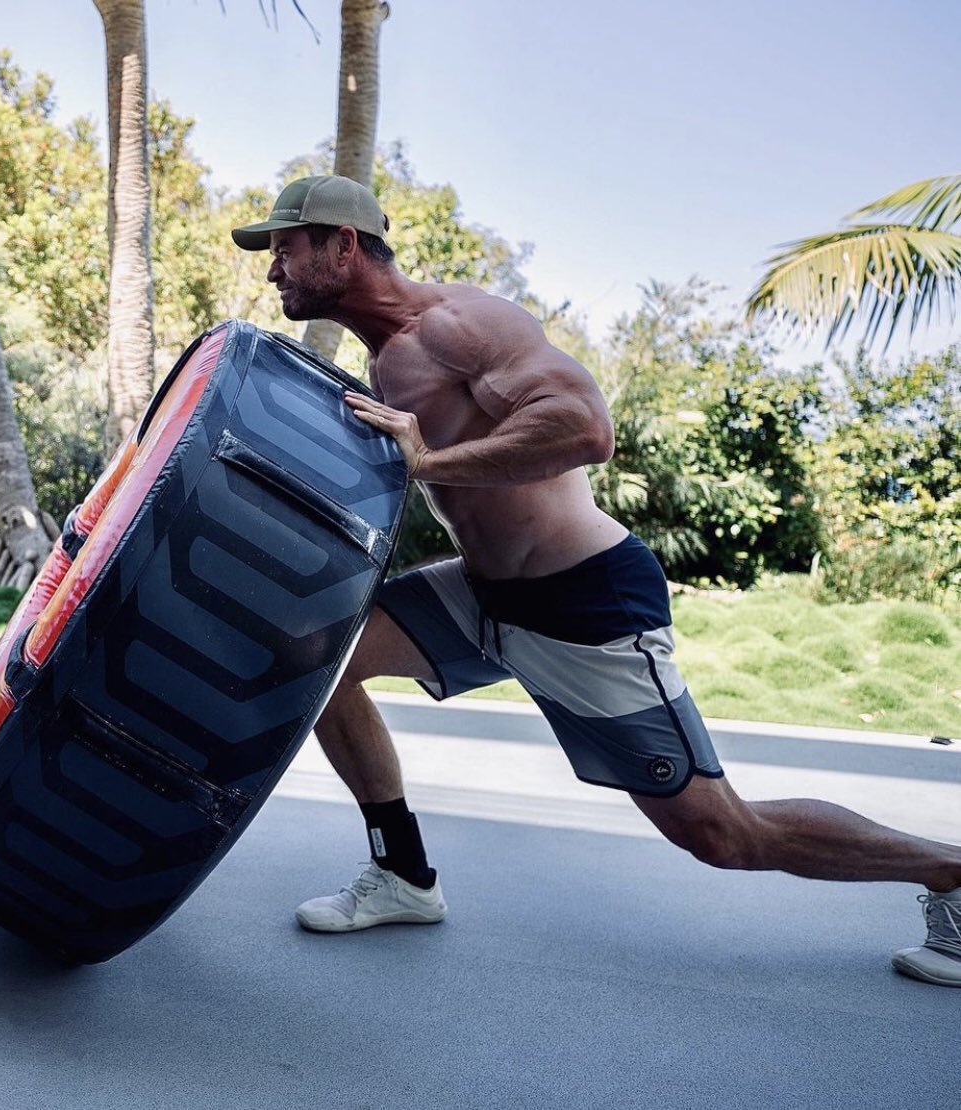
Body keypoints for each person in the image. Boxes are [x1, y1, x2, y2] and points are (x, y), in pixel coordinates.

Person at [231, 174, 961, 987]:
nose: (273, 272)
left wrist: (431, 460)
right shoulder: (385, 359)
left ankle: (950, 870)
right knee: (315, 654)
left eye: (286, 250)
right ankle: (403, 874)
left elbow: (584, 428)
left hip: (582, 598)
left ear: (343, 244)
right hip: (484, 593)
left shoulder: (459, 325)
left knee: (721, 835)